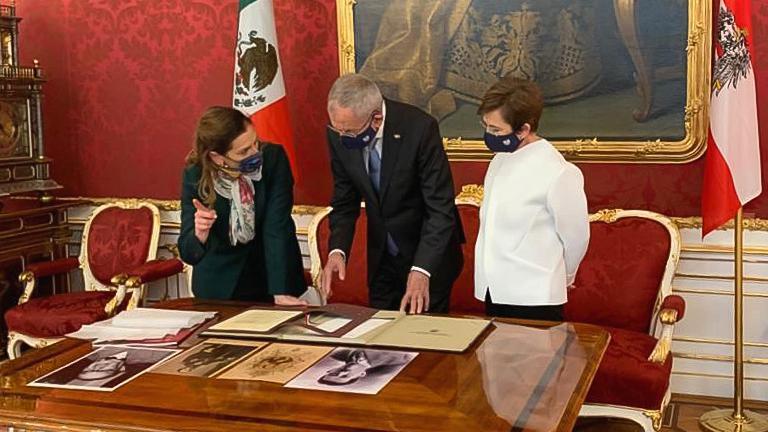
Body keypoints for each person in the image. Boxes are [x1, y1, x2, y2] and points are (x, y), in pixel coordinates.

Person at [320, 74, 465, 314]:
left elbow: (440, 208)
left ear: (376, 119)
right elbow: (345, 200)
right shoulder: (340, 133)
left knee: (424, 340)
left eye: (350, 133)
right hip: (382, 259)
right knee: (381, 339)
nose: (342, 137)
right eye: (338, 130)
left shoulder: (419, 128)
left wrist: (422, 270)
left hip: (427, 255)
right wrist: (338, 250)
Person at [474, 76, 590, 321]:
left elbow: (576, 238)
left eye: (496, 130)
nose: (488, 135)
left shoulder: (559, 172)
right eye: (486, 126)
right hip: (493, 292)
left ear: (524, 129)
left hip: (534, 296)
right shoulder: (499, 159)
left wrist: (565, 276)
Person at [179, 106, 307, 304]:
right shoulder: (195, 174)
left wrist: (281, 291)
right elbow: (188, 253)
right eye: (244, 151)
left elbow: (277, 226)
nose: (256, 153)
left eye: (255, 143)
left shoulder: (273, 159)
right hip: (217, 289)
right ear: (217, 157)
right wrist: (199, 234)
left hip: (269, 279)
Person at [318, 349, 412, 386]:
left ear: (331, 370)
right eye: (345, 376)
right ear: (362, 374)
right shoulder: (398, 360)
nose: (342, 372)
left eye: (334, 374)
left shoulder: (337, 353)